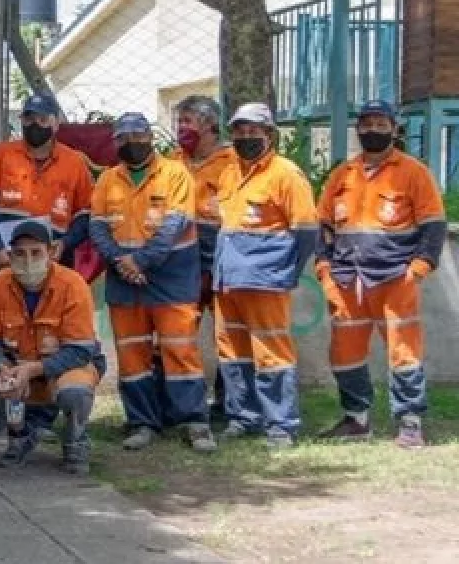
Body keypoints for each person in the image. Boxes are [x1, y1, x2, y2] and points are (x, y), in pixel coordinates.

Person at [315, 100, 446, 448]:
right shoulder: (343, 174)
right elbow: (322, 226)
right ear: (358, 129)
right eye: (366, 124)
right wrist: (325, 270)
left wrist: (418, 269)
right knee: (344, 352)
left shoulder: (414, 172)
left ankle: (410, 422)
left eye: (380, 124)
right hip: (346, 280)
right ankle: (356, 420)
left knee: (404, 353)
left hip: (395, 279)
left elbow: (434, 225)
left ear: (394, 128)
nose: (372, 130)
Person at [89, 113, 215, 453]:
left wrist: (138, 261)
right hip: (124, 280)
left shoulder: (175, 173)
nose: (131, 142)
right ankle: (141, 422)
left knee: (180, 351)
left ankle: (195, 422)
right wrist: (121, 261)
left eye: (138, 135)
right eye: (123, 137)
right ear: (115, 142)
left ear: (150, 137)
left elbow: (175, 226)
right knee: (132, 356)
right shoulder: (107, 180)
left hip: (171, 277)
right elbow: (97, 227)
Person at [0, 220, 100, 475]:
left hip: (61, 368)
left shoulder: (74, 285)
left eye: (36, 252)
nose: (28, 260)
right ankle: (17, 436)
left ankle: (75, 442)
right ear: (9, 256)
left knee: (75, 389)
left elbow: (80, 350)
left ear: (51, 253)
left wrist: (33, 370)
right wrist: (2, 369)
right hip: (12, 365)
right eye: (20, 253)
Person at [212, 103, 319, 449]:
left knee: (271, 351)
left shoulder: (286, 174)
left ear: (269, 134)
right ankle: (244, 418)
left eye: (253, 131)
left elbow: (306, 231)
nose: (246, 137)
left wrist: (287, 271)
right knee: (233, 352)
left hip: (266, 281)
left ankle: (280, 425)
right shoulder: (229, 173)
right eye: (239, 131)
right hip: (228, 280)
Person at [0, 94, 95, 270]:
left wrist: (65, 244)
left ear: (56, 124)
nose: (34, 125)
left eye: (43, 119)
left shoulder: (74, 162)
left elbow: (86, 214)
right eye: (28, 119)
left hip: (54, 257)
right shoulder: (1, 154)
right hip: (6, 255)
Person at [174, 94, 238, 421]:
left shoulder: (233, 161)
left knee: (227, 331)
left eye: (187, 122)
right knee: (180, 328)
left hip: (222, 250)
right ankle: (182, 405)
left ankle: (228, 405)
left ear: (210, 124)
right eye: (179, 122)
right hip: (181, 252)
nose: (181, 128)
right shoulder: (173, 161)